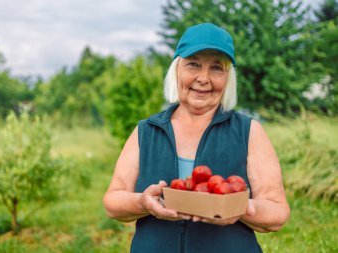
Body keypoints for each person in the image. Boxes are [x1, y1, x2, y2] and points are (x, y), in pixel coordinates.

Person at [103, 23, 290, 253]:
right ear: (176, 70)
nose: (203, 78)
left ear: (228, 78)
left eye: (216, 68)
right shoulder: (147, 131)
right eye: (193, 64)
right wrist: (143, 203)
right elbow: (113, 201)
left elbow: (278, 212)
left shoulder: (248, 131)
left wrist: (239, 207)